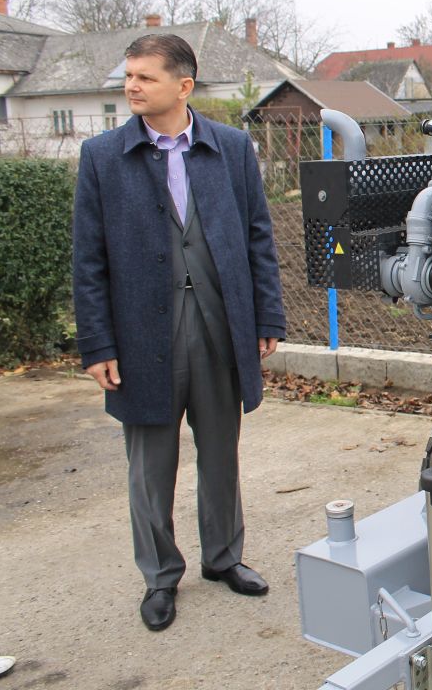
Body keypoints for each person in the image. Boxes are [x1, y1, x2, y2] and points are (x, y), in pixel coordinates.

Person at [72, 33, 286, 631]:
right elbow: (88, 259)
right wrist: (97, 344)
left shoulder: (231, 148)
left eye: (145, 77)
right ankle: (160, 577)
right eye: (129, 76)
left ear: (183, 85)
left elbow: (258, 236)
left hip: (220, 326)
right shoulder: (102, 156)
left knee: (221, 452)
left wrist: (266, 316)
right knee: (150, 465)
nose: (132, 86)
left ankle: (224, 558)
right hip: (141, 335)